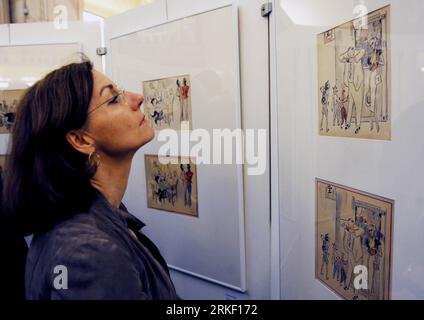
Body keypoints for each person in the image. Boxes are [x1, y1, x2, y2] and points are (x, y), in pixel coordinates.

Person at [2, 58, 179, 300]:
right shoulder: (85, 250)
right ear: (81, 140)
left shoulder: (104, 216)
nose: (138, 98)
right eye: (114, 99)